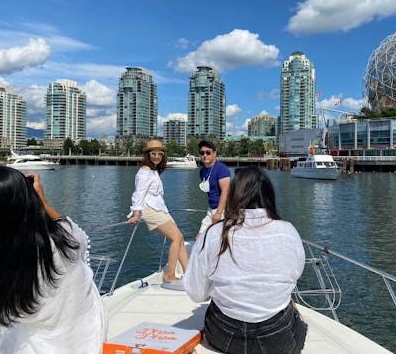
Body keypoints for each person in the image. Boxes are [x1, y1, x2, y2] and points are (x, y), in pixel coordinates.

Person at [0, 166, 107, 354]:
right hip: (79, 341)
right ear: (29, 201)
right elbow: (79, 236)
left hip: (20, 344)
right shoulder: (62, 244)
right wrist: (43, 200)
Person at [183, 166, 307, 354]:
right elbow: (294, 275)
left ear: (233, 195)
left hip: (223, 335)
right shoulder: (288, 232)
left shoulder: (215, 233)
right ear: (269, 195)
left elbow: (197, 294)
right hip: (277, 338)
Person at [128, 139, 189, 284]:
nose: (157, 156)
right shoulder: (144, 172)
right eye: (153, 153)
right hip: (150, 209)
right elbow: (138, 194)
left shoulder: (153, 171)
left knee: (179, 237)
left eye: (159, 154)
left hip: (159, 208)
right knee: (176, 238)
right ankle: (170, 275)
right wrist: (136, 214)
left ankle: (189, 273)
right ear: (148, 155)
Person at [196, 140, 230, 237]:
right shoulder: (202, 171)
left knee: (218, 240)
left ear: (214, 154)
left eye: (208, 152)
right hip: (211, 209)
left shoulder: (221, 168)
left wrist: (219, 213)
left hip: (223, 210)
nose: (205, 155)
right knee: (199, 238)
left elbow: (225, 191)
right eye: (202, 153)